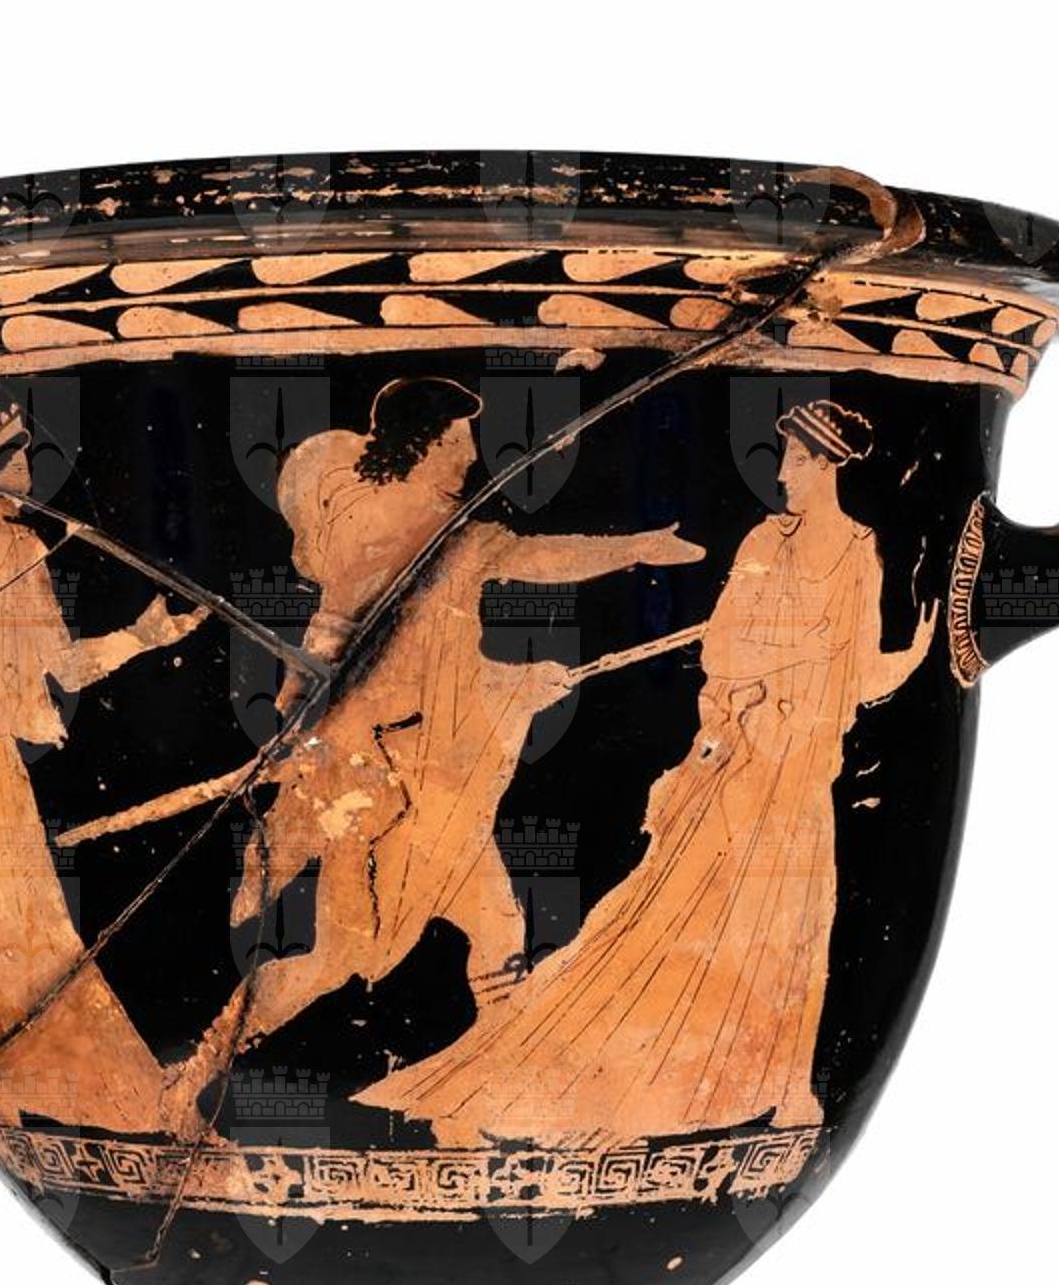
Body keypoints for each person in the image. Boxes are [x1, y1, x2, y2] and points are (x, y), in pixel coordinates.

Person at [357, 399, 936, 1147]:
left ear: (825, 465)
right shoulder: (767, 540)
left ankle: (785, 1084)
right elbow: (724, 651)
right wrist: (803, 651)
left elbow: (858, 676)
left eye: (796, 460)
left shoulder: (859, 551)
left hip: (799, 779)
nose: (783, 474)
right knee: (669, 924)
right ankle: (619, 1081)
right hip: (739, 770)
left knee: (798, 925)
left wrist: (915, 654)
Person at [180, 377, 703, 1102]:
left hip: (439, 778)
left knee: (496, 930)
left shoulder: (449, 531)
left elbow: (441, 654)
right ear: (423, 443)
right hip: (387, 781)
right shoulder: (400, 528)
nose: (471, 455)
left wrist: (521, 678)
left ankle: (500, 1089)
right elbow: (349, 634)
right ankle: (202, 1066)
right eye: (459, 439)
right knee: (339, 959)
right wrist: (298, 715)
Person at [0, 405, 206, 1127]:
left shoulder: (27, 550)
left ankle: (77, 1075)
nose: (30, 478)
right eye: (18, 464)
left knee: (27, 918)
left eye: (28, 463)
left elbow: (61, 666)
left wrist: (142, 638)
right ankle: (18, 1069)